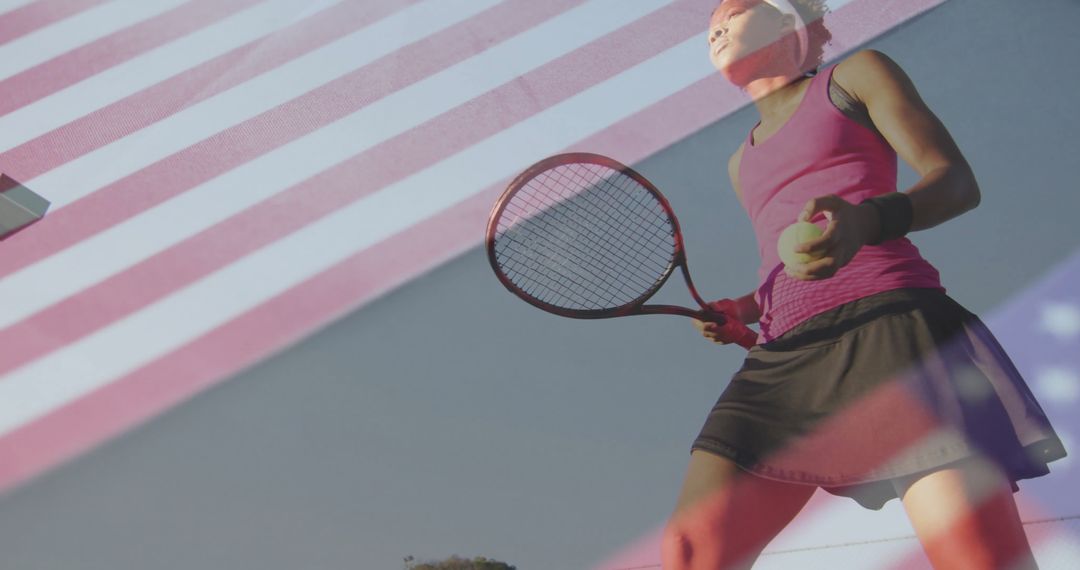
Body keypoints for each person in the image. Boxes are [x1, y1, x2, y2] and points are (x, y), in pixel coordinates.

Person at [660, 1, 1067, 568]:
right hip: (785, 359)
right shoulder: (739, 162)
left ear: (785, 22)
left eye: (737, 9)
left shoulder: (853, 78)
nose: (717, 27)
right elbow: (796, 259)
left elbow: (956, 183)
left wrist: (866, 220)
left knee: (974, 555)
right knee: (689, 550)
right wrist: (747, 309)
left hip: (892, 330)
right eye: (711, 25)